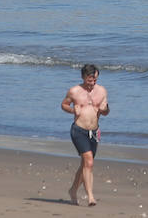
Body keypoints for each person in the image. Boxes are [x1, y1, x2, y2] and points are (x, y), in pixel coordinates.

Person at [61, 64, 110, 207]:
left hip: (94, 132)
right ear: (83, 77)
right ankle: (91, 197)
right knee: (89, 162)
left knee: (85, 165)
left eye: (95, 80)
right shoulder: (74, 91)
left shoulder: (102, 91)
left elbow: (105, 112)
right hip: (79, 131)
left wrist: (105, 109)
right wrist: (72, 111)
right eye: (90, 80)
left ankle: (73, 190)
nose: (93, 83)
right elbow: (64, 105)